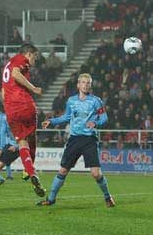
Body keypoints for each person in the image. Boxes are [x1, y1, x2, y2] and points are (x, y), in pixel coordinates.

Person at [38, 73, 115, 207]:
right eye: (83, 82)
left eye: (88, 83)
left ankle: (108, 197)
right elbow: (66, 117)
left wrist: (95, 124)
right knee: (62, 171)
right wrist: (52, 121)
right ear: (78, 84)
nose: (85, 85)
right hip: (74, 139)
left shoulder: (96, 101)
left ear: (90, 85)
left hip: (89, 139)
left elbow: (104, 118)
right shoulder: (71, 101)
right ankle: (50, 199)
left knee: (96, 174)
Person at [1, 43, 46, 197]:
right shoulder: (20, 60)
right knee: (32, 137)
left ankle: (30, 171)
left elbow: (2, 93)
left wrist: (8, 108)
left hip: (10, 109)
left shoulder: (7, 65)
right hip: (24, 104)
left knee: (22, 141)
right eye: (35, 57)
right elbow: (15, 73)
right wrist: (34, 89)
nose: (35, 60)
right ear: (28, 53)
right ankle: (29, 169)